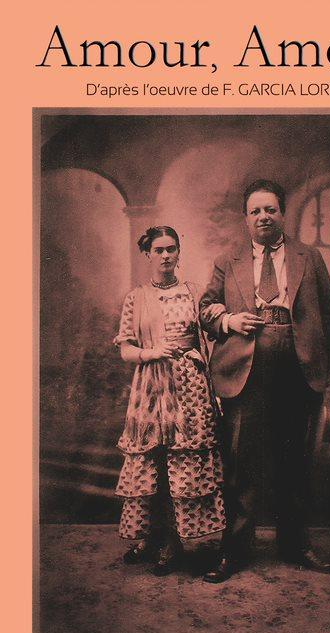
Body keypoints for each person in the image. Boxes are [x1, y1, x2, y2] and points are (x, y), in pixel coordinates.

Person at [199, 179, 330, 582]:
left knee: (294, 460)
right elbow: (206, 308)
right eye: (255, 211)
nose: (263, 217)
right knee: (241, 462)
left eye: (270, 209)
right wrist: (229, 320)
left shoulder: (309, 257)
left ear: (282, 213)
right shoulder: (228, 260)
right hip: (246, 366)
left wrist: (328, 370)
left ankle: (296, 544)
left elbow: (327, 316)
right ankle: (234, 549)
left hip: (298, 364)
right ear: (246, 218)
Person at [114, 225, 225, 576]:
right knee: (153, 462)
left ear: (179, 252)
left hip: (190, 388)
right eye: (159, 250)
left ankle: (173, 542)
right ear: (147, 254)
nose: (165, 255)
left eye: (171, 249)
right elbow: (126, 349)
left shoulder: (193, 292)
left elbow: (212, 335)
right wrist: (151, 352)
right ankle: (151, 537)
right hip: (150, 387)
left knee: (181, 462)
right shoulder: (136, 297)